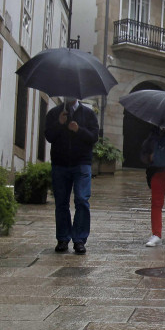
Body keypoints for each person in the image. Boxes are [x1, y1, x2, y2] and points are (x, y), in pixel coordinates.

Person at [44, 98, 99, 255]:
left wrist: (78, 130)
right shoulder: (55, 113)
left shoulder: (88, 114)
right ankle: (62, 238)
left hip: (81, 163)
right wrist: (59, 123)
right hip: (60, 164)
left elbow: (94, 137)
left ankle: (79, 240)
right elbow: (49, 135)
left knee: (82, 199)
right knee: (61, 203)